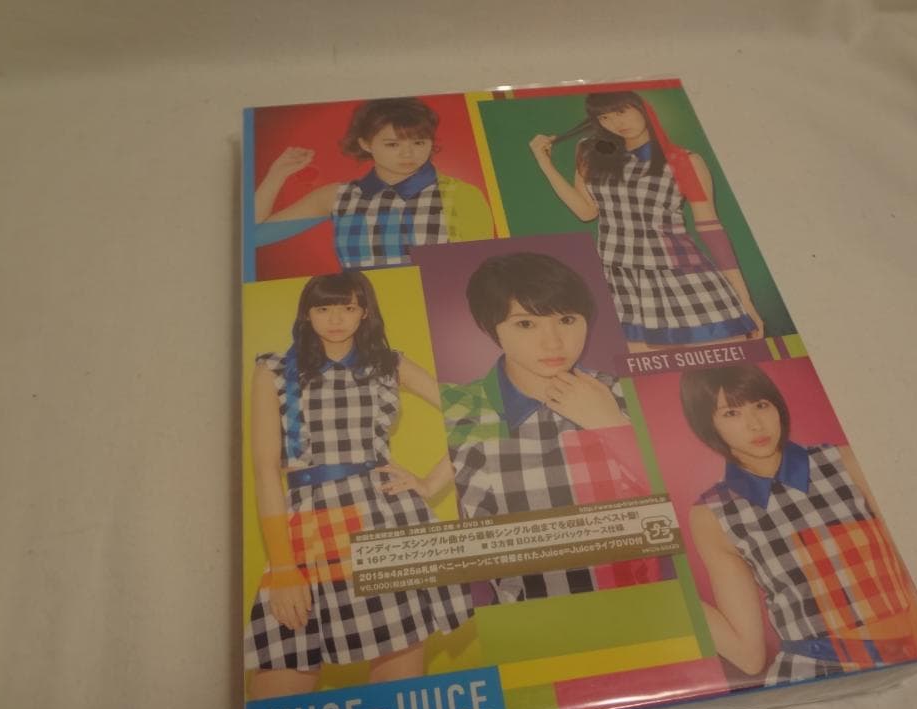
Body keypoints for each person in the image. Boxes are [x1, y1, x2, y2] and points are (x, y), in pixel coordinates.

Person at [245, 273, 472, 699]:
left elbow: (477, 412)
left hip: (384, 522)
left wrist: (429, 483)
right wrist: (283, 568)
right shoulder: (272, 370)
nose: (335, 319)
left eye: (348, 308)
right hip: (308, 528)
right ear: (306, 314)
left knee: (398, 693)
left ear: (364, 312)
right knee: (276, 695)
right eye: (323, 308)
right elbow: (265, 471)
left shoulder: (389, 364)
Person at [679, 363, 917, 685]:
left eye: (761, 405)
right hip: (811, 673)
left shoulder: (845, 462)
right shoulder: (713, 513)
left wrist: (916, 634)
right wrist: (670, 596)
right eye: (731, 413)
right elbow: (749, 656)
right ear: (708, 424)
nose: (755, 424)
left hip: (907, 656)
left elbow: (913, 567)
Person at [441, 251, 660, 602]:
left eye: (567, 319)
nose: (553, 342)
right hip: (528, 622)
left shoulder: (628, 395)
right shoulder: (457, 412)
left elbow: (688, 512)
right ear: (491, 328)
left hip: (646, 608)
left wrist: (611, 426)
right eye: (525, 324)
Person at [528, 91, 763, 352]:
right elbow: (586, 212)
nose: (616, 123)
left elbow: (710, 227)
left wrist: (744, 299)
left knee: (722, 358)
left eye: (621, 111)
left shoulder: (684, 161)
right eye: (604, 117)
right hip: (619, 278)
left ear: (643, 108)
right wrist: (544, 162)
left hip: (680, 275)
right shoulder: (590, 153)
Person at [254, 97, 493, 270]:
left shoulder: (461, 194)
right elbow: (256, 236)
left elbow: (479, 271)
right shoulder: (338, 196)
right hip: (363, 314)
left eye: (419, 142)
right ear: (366, 144)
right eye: (393, 144)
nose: (408, 153)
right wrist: (276, 175)